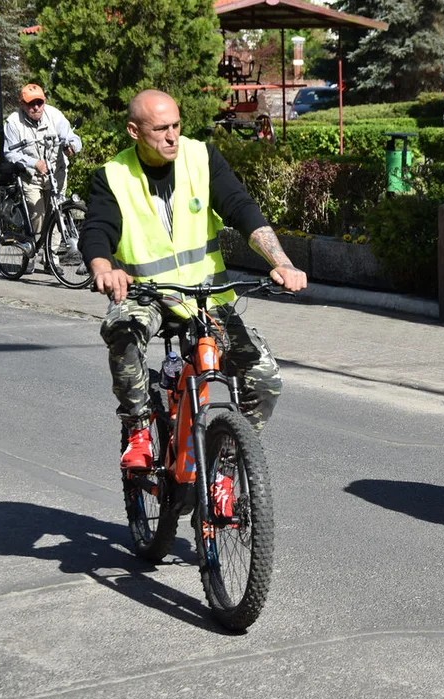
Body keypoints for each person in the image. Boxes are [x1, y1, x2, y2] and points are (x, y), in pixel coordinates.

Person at [80, 89, 307, 471]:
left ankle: (227, 466)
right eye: (161, 129)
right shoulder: (113, 176)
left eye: (176, 125)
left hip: (206, 297)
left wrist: (281, 262)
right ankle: (138, 428)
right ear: (135, 131)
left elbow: (241, 208)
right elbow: (97, 229)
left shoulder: (201, 158)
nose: (172, 136)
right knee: (121, 330)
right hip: (145, 295)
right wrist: (103, 268)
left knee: (265, 379)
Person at [3, 83, 82, 268]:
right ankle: (30, 252)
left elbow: (71, 136)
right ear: (22, 104)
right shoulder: (13, 122)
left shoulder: (54, 115)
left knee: (57, 215)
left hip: (57, 174)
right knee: (37, 216)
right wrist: (34, 163)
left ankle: (51, 259)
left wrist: (72, 146)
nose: (36, 107)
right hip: (31, 177)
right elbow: (9, 153)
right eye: (31, 103)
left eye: (39, 102)